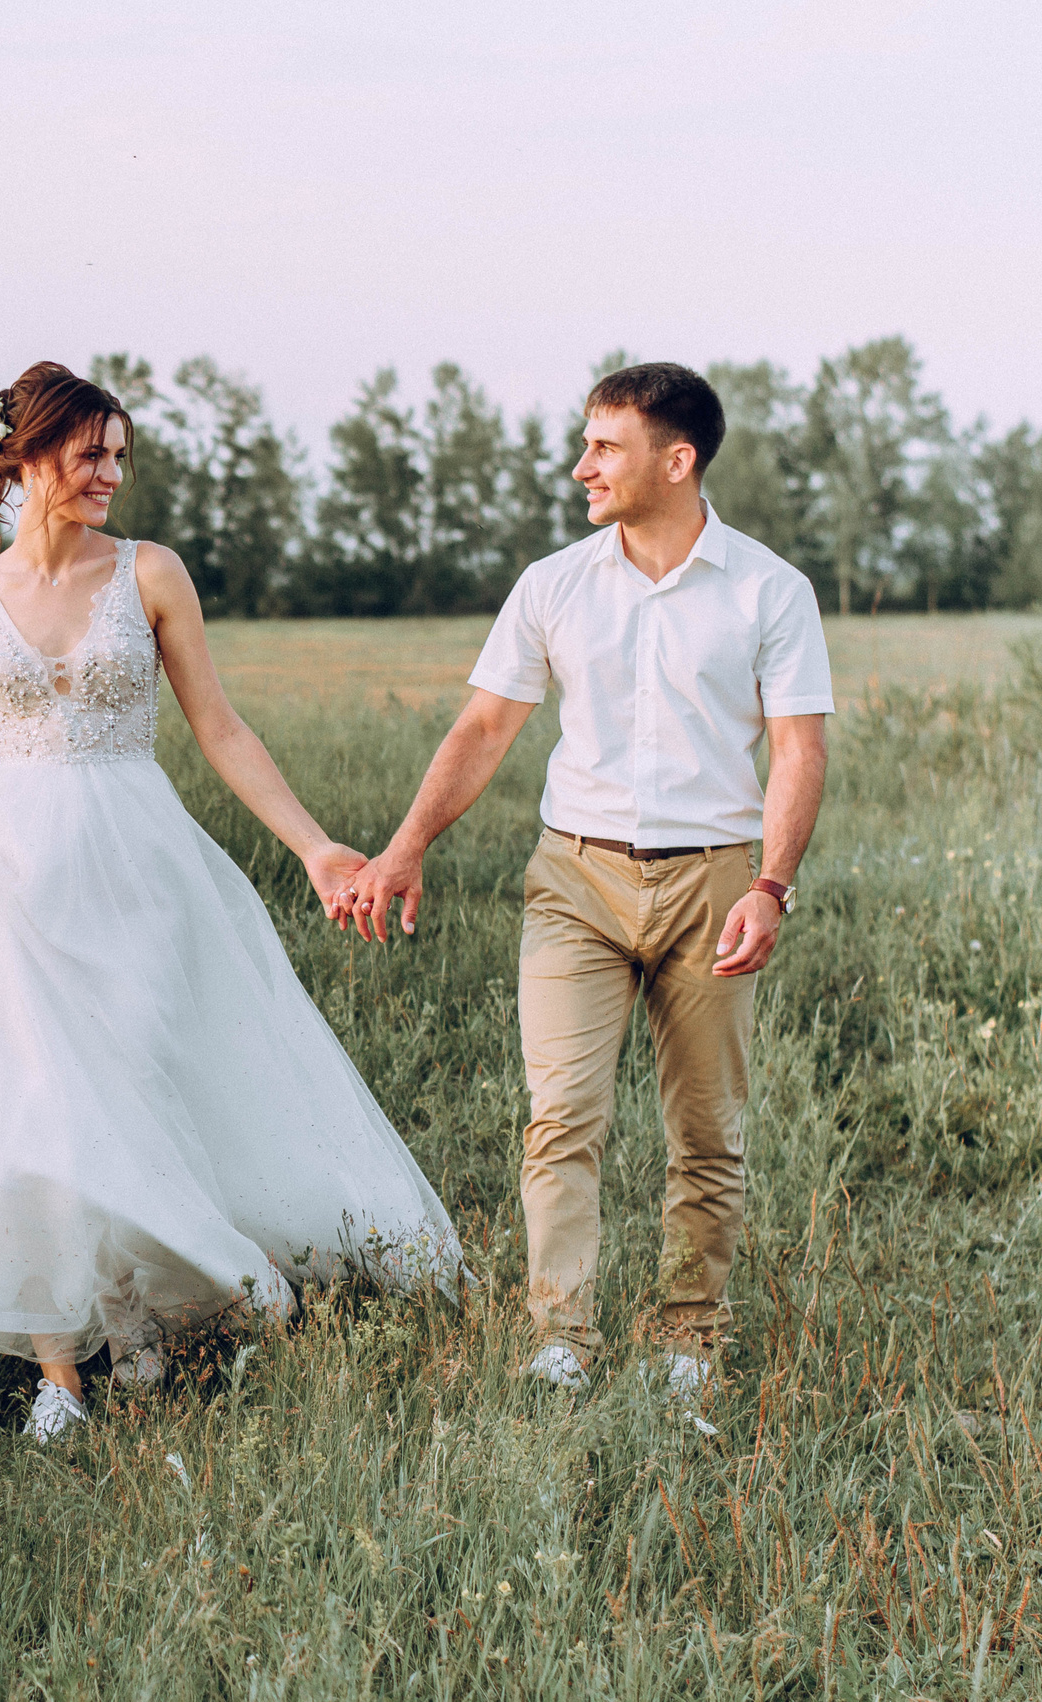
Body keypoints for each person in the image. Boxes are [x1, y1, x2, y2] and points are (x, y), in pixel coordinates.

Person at [0, 361, 462, 1443]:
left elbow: (220, 727)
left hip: (136, 860)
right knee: (34, 1106)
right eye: (91, 455)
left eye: (119, 455)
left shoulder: (150, 574)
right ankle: (58, 1373)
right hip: (9, 871)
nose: (110, 475)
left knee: (132, 1078)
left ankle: (143, 1319)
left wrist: (313, 848)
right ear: (27, 456)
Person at [340, 362, 831, 1405]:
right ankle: (561, 1336)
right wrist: (404, 845)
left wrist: (770, 885)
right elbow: (483, 728)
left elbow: (796, 750)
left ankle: (687, 1344)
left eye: (603, 447)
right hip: (573, 879)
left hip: (714, 883)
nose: (580, 468)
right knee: (561, 1116)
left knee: (705, 1133)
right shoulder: (552, 584)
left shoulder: (767, 589)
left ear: (676, 459)